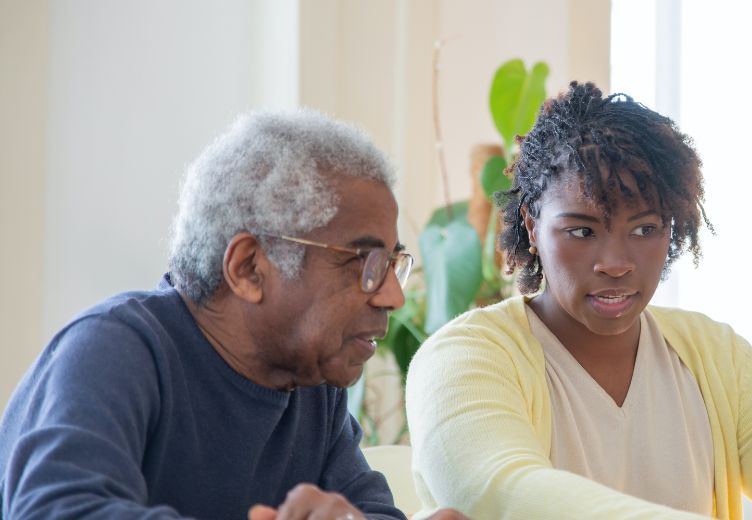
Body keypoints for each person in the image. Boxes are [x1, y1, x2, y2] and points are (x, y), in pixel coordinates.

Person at [404, 82, 752, 519]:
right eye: (581, 230)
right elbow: (504, 495)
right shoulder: (463, 359)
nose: (616, 261)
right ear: (532, 226)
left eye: (645, 228)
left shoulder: (711, 354)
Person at [0, 111, 464, 520]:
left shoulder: (313, 389)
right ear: (248, 268)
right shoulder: (115, 349)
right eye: (363, 263)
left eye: (391, 265)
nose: (393, 297)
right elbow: (58, 508)